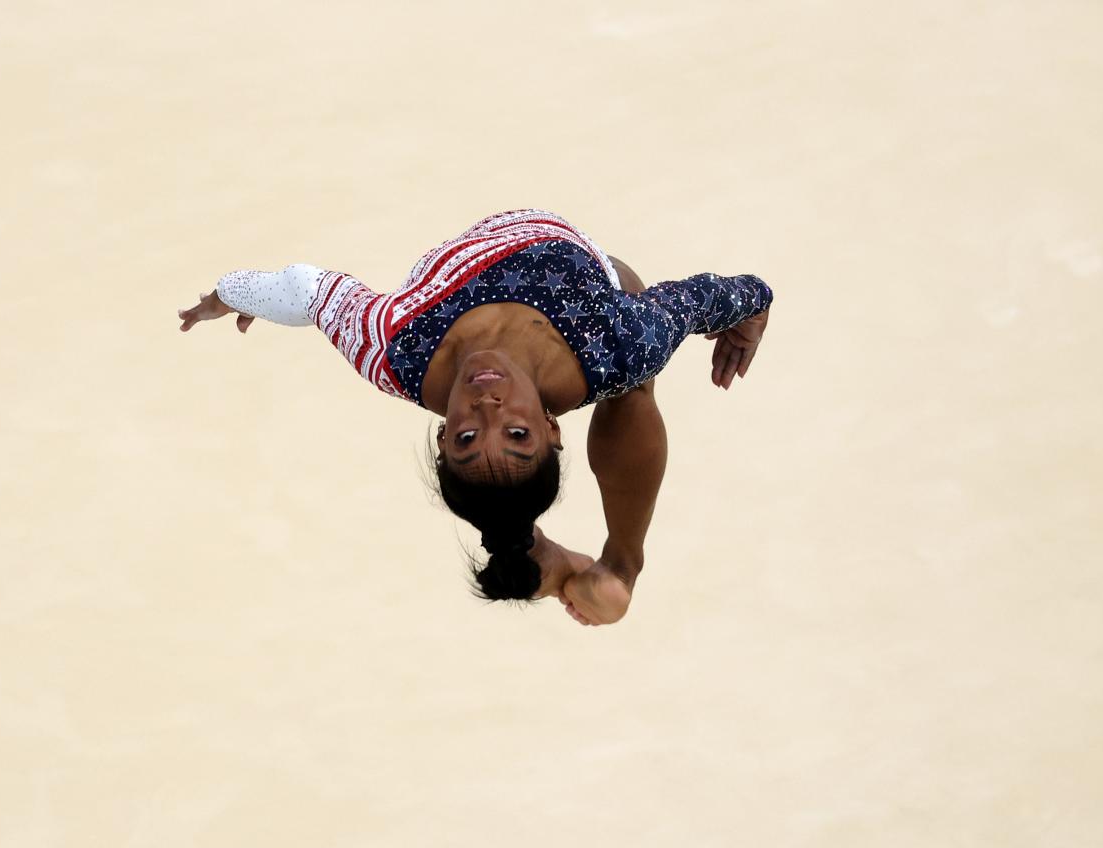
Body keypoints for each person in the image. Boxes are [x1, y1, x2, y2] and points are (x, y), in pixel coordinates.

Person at [177, 209, 772, 626]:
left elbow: (305, 290)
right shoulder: (614, 341)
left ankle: (555, 557)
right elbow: (716, 297)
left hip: (467, 273)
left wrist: (230, 292)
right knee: (633, 369)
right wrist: (753, 308)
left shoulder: (395, 350)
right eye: (516, 434)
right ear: (551, 425)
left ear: (441, 437)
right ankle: (623, 563)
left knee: (633, 356)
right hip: (586, 279)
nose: (488, 408)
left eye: (467, 436)